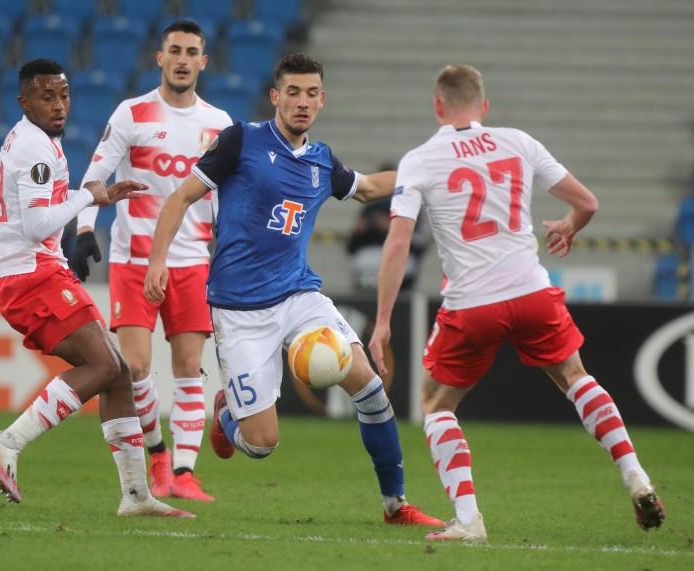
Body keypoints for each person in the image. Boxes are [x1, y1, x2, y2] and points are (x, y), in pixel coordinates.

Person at [143, 53, 444, 526]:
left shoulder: (322, 161)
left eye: (311, 94)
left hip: (300, 296)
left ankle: (395, 505)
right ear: (275, 96)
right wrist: (158, 260)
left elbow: (366, 188)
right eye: (293, 92)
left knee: (370, 389)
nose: (302, 102)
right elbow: (181, 197)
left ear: (322, 100)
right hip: (239, 311)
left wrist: (425, 176)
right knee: (261, 444)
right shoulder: (240, 140)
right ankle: (227, 417)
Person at [368, 64, 666, 541]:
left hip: (473, 303)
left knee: (435, 404)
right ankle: (637, 477)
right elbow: (587, 203)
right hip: (531, 291)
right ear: (484, 106)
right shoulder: (518, 141)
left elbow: (398, 243)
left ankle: (469, 521)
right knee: (577, 378)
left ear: (437, 106)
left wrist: (382, 322)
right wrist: (569, 225)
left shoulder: (420, 159)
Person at [0, 58, 194, 519]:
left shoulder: (37, 140)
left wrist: (99, 195)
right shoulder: (35, 148)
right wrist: (89, 195)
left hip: (33, 269)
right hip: (28, 271)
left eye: (64, 95)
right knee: (103, 364)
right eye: (47, 96)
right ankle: (6, 443)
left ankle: (136, 496)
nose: (59, 105)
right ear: (24, 101)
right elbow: (36, 226)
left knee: (117, 372)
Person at [69, 20, 231, 502]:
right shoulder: (132, 113)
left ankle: (182, 474)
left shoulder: (220, 125)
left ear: (204, 61)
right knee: (136, 367)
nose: (183, 59)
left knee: (188, 365)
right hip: (134, 258)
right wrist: (82, 231)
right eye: (174, 50)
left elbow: (225, 200)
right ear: (159, 58)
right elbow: (95, 175)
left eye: (192, 52)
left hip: (193, 262)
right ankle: (158, 458)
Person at [346, 161, 430, 292]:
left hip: (400, 263)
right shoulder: (370, 208)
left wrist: (394, 229)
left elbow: (421, 243)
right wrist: (359, 232)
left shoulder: (413, 208)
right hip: (367, 267)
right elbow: (351, 247)